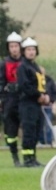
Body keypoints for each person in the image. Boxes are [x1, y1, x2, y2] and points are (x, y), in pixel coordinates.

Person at [16, 37, 48, 167]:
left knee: (36, 130)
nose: (31, 52)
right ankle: (27, 159)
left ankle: (33, 157)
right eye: (28, 49)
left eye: (33, 49)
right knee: (29, 131)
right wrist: (38, 95)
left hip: (36, 104)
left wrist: (45, 95)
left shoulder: (35, 67)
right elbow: (25, 86)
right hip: (27, 104)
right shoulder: (23, 67)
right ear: (24, 51)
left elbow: (41, 84)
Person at [0, 31, 23, 166]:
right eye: (11, 46)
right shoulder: (4, 63)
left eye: (16, 46)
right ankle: (15, 157)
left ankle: (29, 157)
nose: (14, 49)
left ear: (20, 47)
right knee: (11, 129)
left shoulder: (25, 62)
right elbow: (1, 82)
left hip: (24, 98)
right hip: (10, 98)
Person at [38, 66, 56, 146]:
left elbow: (55, 92)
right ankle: (41, 141)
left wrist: (51, 100)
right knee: (39, 124)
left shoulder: (49, 80)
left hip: (47, 106)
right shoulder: (34, 80)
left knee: (48, 123)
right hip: (38, 106)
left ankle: (49, 141)